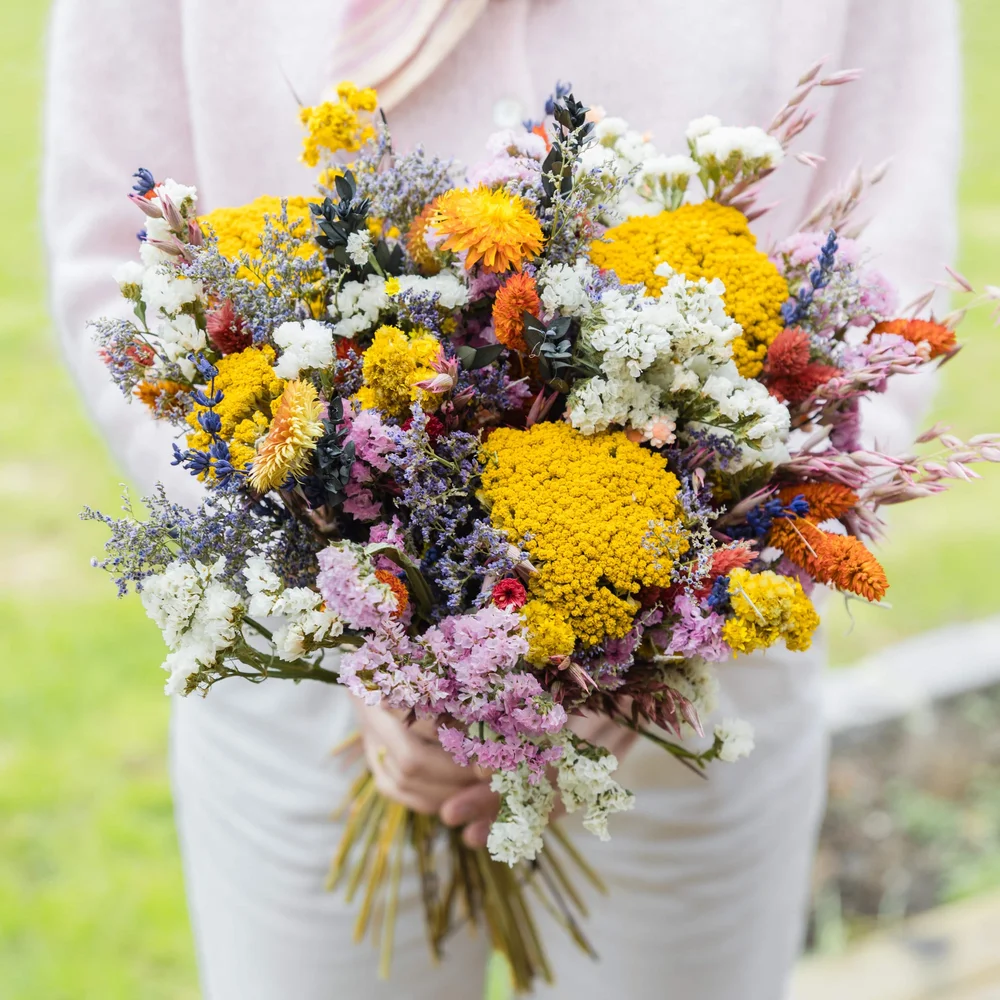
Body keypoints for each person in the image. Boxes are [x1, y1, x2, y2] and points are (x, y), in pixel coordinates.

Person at [43, 1, 960, 997]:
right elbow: (114, 261)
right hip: (306, 689)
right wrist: (348, 624)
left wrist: (639, 656)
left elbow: (885, 269)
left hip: (694, 694)